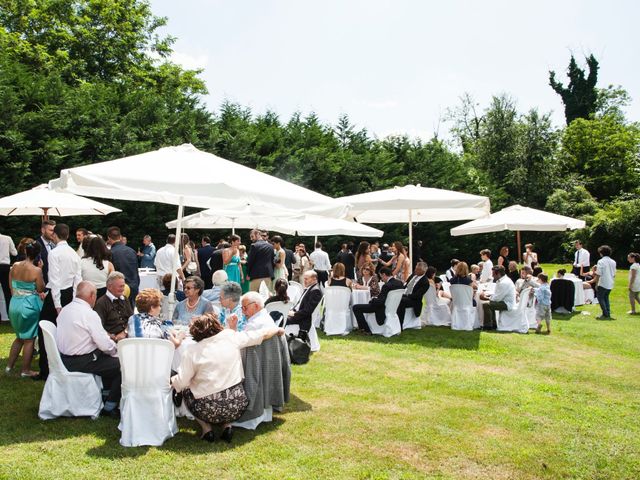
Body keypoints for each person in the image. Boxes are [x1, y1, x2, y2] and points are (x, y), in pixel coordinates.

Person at [171, 312, 285, 443]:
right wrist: (277, 329)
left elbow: (181, 382)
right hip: (237, 404)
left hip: (208, 409)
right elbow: (261, 335)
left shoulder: (191, 351)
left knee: (186, 389)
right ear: (216, 325)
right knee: (226, 389)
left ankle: (207, 430)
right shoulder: (230, 337)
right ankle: (227, 426)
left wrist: (173, 382)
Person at [56, 281, 121, 418]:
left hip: (63, 358)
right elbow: (104, 345)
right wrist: (116, 350)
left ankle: (105, 394)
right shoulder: (88, 314)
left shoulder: (65, 309)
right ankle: (110, 405)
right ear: (92, 296)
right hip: (81, 361)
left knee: (109, 360)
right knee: (122, 366)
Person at [37, 223, 81, 381]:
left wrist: (57, 305)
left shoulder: (54, 253)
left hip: (57, 296)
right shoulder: (74, 254)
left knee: (44, 331)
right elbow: (78, 279)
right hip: (70, 294)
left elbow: (54, 281)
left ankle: (44, 370)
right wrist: (75, 300)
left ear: (55, 235)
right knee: (68, 331)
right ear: (68, 236)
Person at [5, 241, 44, 377]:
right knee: (29, 339)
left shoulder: (14, 266)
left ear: (25, 252)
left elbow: (11, 286)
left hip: (14, 303)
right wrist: (41, 269)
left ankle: (9, 367)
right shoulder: (36, 270)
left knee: (19, 337)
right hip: (29, 306)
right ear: (38, 254)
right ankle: (25, 370)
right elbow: (41, 289)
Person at [352, 267, 403, 333]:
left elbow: (381, 302)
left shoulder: (386, 286)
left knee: (356, 307)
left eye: (381, 276)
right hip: (393, 308)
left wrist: (373, 300)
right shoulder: (399, 283)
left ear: (384, 274)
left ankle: (365, 329)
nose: (381, 279)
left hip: (382, 308)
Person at [93, 271, 133, 342]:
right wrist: (112, 337)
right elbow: (98, 328)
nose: (123, 289)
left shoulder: (124, 299)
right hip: (111, 341)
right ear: (109, 287)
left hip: (128, 338)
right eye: (120, 286)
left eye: (123, 286)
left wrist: (125, 332)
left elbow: (132, 320)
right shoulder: (101, 303)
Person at [107, 226, 140, 307]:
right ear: (120, 237)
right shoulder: (131, 251)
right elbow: (136, 270)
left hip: (119, 289)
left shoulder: (110, 253)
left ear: (108, 238)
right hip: (133, 287)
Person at [479, 266, 516, 330]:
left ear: (498, 274)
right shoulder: (503, 280)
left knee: (486, 305)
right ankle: (493, 324)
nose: (492, 276)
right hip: (505, 301)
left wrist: (485, 297)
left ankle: (487, 326)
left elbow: (497, 299)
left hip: (507, 304)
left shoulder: (504, 283)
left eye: (493, 274)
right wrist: (488, 296)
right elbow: (497, 295)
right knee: (490, 303)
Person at [397, 262, 430, 327]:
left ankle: (400, 324)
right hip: (404, 294)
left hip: (413, 300)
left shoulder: (425, 282)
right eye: (416, 268)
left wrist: (405, 295)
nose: (415, 270)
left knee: (401, 301)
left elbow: (417, 295)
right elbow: (406, 285)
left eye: (418, 269)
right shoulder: (413, 275)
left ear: (423, 271)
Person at [594, 245, 616, 320]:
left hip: (603, 282)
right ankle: (607, 313)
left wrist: (596, 284)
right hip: (610, 282)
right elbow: (614, 273)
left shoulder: (601, 261)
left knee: (600, 298)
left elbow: (598, 273)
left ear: (601, 253)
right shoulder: (613, 261)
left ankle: (605, 314)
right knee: (606, 298)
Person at [0, 230, 18, 319]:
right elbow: (14, 253)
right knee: (7, 292)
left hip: (4, 266)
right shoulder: (7, 238)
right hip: (4, 267)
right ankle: (10, 316)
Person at [35, 220, 56, 284]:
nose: (53, 233)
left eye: (54, 231)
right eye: (51, 230)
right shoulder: (36, 245)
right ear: (43, 230)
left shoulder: (55, 245)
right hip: (42, 285)